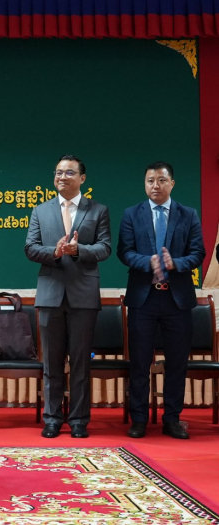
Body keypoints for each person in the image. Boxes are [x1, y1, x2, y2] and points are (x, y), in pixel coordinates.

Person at [24, 154, 111, 439]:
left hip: (83, 296)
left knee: (80, 364)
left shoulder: (98, 210)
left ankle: (78, 421)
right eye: (58, 172)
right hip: (50, 295)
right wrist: (55, 251)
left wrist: (78, 250)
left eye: (69, 172)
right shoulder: (41, 211)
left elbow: (105, 248)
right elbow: (30, 248)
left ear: (82, 178)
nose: (62, 177)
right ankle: (52, 419)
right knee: (52, 363)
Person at [118, 161, 205, 439]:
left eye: (161, 180)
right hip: (143, 299)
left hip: (176, 300)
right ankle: (139, 420)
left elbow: (198, 253)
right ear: (145, 184)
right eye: (150, 181)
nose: (155, 186)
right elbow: (124, 251)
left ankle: (172, 419)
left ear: (172, 184)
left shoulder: (188, 214)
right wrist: (149, 262)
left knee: (177, 363)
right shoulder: (132, 214)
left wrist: (175, 263)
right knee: (140, 362)